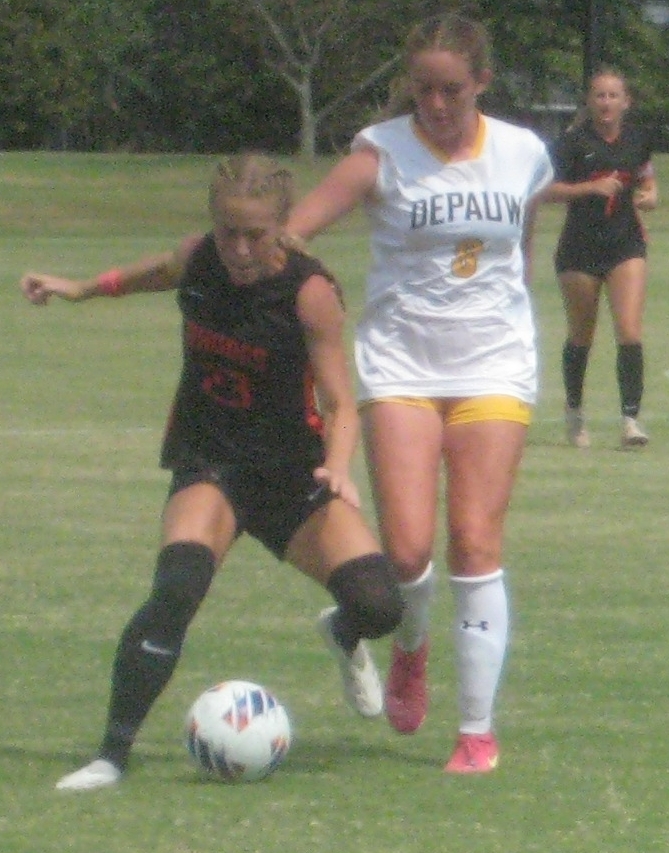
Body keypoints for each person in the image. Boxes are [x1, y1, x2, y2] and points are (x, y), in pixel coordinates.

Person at [20, 153, 403, 792]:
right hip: (211, 464)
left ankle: (343, 631)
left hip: (291, 476)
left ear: (281, 226)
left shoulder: (309, 292)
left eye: (256, 234)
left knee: (380, 605)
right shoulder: (198, 257)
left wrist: (338, 469)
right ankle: (111, 756)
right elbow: (155, 272)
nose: (240, 249)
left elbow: (340, 402)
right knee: (177, 590)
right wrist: (83, 288)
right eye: (229, 232)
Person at [287, 13, 553, 773]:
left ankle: (475, 731)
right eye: (422, 90)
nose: (434, 105)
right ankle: (410, 647)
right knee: (405, 552)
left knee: (474, 542)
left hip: (494, 365)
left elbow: (522, 241)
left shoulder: (523, 153)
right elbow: (292, 236)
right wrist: (312, 298)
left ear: (482, 83)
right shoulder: (379, 153)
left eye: (451, 91)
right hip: (401, 366)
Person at [543, 66, 659, 449]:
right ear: (589, 101)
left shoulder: (637, 139)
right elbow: (546, 190)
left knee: (629, 331)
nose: (606, 102)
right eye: (599, 95)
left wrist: (650, 194)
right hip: (580, 248)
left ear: (626, 102)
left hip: (626, 244)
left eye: (613, 95)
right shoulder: (572, 143)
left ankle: (631, 420)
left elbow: (645, 175)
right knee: (582, 334)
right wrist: (589, 188)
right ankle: (575, 413)